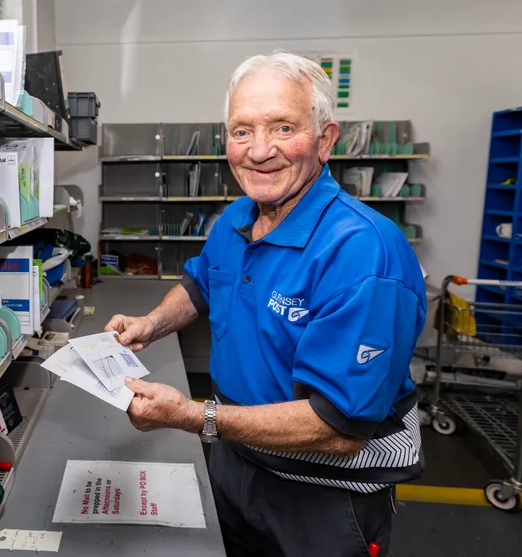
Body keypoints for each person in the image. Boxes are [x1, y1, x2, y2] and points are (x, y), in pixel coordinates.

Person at [106, 51, 426, 557]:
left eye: (282, 128)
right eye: (241, 131)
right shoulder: (238, 214)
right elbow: (202, 285)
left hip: (321, 494)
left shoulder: (364, 253)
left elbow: (337, 428)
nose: (258, 151)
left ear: (325, 140)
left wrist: (194, 417)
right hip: (237, 459)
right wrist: (151, 323)